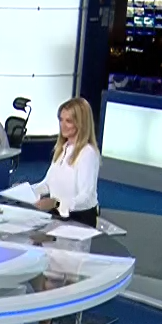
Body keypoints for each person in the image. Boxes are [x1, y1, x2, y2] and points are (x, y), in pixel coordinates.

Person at [34, 96, 99, 228]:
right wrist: (27, 190)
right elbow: (48, 184)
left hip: (79, 218)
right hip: (58, 213)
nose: (62, 125)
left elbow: (86, 197)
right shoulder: (62, 149)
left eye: (68, 121)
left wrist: (56, 203)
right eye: (61, 119)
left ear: (81, 123)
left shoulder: (87, 153)